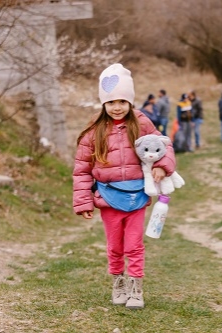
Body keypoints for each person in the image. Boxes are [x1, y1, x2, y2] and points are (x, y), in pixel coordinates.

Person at [73, 64, 176, 310]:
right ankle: (118, 281)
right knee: (115, 246)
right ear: (103, 104)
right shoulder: (94, 131)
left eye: (122, 101)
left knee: (134, 245)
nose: (116, 107)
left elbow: (164, 145)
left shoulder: (141, 123)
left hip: (137, 195)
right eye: (111, 102)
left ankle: (135, 287)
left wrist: (162, 165)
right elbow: (82, 168)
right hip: (108, 197)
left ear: (130, 101)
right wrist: (84, 201)